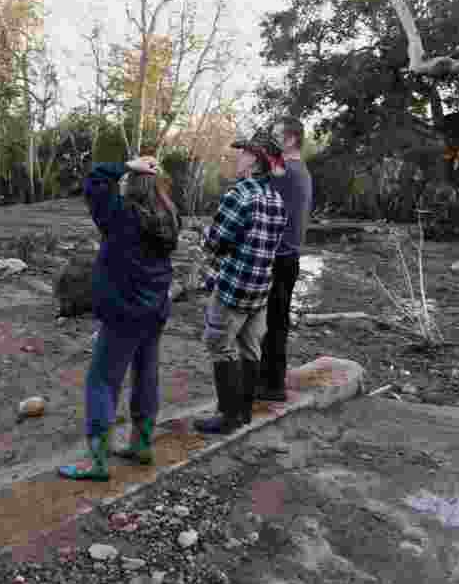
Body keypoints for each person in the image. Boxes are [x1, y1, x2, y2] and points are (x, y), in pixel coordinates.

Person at [58, 155, 181, 481]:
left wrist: (126, 164)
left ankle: (97, 462)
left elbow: (96, 180)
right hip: (155, 311)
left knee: (101, 380)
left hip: (124, 313)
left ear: (131, 183)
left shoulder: (120, 216)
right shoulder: (168, 215)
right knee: (146, 374)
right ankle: (141, 444)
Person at [195, 129, 287, 435]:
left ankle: (228, 416)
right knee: (250, 348)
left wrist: (203, 234)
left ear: (256, 163)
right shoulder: (276, 199)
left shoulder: (239, 195)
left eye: (245, 153)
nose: (240, 157)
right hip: (260, 290)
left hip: (233, 288)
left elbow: (217, 242)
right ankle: (244, 412)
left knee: (219, 345)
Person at [258, 119, 313, 402]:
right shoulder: (299, 170)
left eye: (277, 135)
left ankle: (272, 383)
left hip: (279, 257)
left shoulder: (287, 172)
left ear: (291, 139)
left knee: (273, 322)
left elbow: (259, 195)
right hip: (288, 256)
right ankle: (268, 379)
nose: (273, 139)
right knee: (274, 321)